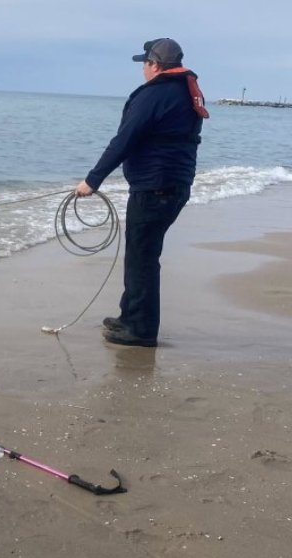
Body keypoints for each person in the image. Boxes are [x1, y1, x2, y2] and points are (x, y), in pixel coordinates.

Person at [75, 38, 209, 347]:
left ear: (155, 65)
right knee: (142, 254)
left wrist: (92, 181)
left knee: (142, 257)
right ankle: (131, 318)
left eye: (145, 64)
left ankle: (141, 330)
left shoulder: (155, 95)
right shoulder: (183, 91)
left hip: (155, 188)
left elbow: (124, 140)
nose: (143, 70)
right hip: (174, 185)